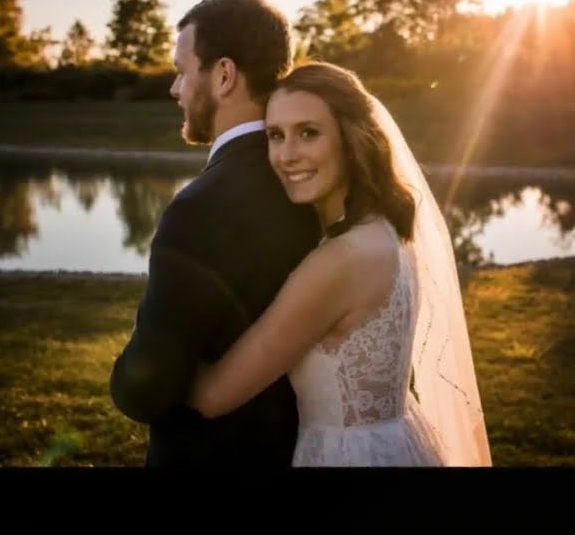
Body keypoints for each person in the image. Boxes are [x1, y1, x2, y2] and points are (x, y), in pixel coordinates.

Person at [185, 61, 493, 466]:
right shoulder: (387, 231)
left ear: (351, 139)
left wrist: (162, 338)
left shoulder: (338, 262)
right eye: (276, 135)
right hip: (396, 441)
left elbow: (213, 397)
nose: (286, 156)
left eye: (308, 133)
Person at [108, 0, 322, 467]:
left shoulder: (199, 208)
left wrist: (124, 376)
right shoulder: (317, 186)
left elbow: (146, 390)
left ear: (224, 75)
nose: (175, 89)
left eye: (182, 71)